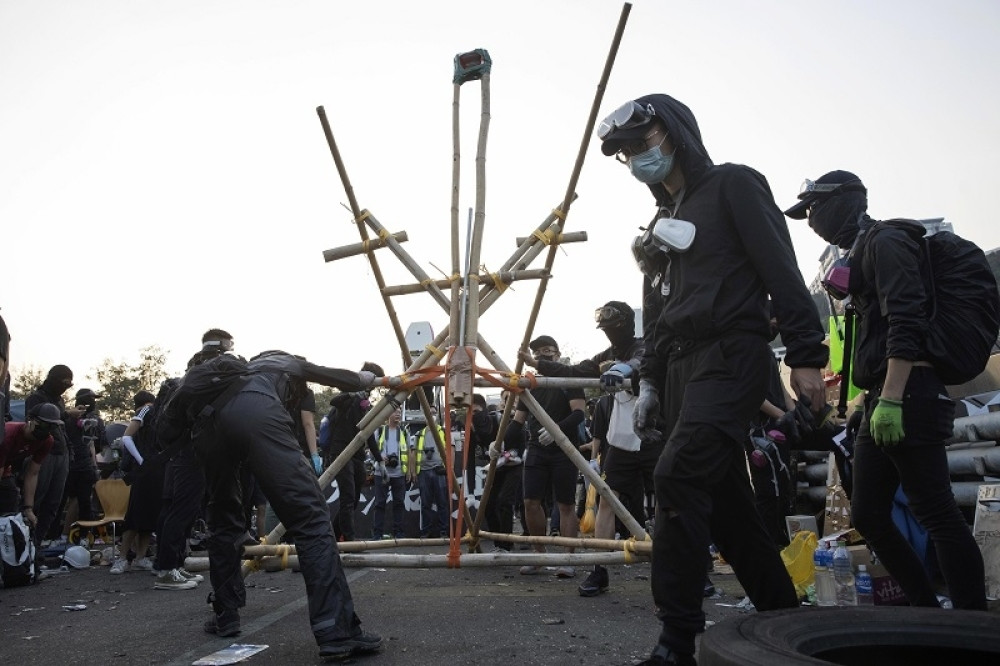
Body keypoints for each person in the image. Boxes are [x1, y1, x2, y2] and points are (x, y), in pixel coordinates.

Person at [598, 94, 828, 665]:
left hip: (732, 352)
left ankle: (677, 639)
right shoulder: (659, 223)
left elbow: (781, 267)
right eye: (626, 152)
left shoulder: (733, 185)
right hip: (679, 368)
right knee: (725, 507)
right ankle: (783, 618)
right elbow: (656, 311)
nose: (637, 156)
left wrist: (805, 353)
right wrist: (649, 381)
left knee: (676, 476)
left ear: (676, 132)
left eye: (643, 141)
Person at [785, 170, 988, 611]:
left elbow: (906, 319)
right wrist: (864, 402)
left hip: (910, 392)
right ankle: (925, 609)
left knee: (935, 510)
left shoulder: (886, 240)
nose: (811, 221)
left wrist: (892, 398)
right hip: (884, 395)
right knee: (869, 514)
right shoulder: (858, 253)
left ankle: (973, 626)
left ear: (845, 201)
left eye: (814, 210)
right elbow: (874, 340)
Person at [157, 350, 382, 659]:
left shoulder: (230, 377)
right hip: (255, 415)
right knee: (312, 520)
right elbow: (335, 375)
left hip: (208, 431)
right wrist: (369, 380)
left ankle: (226, 616)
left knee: (224, 522)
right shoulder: (280, 362)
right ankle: (336, 632)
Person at [507, 335, 587, 579]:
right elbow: (517, 422)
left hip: (564, 449)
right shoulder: (530, 385)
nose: (545, 355)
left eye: (549, 351)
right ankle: (538, 554)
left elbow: (579, 414)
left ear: (558, 354)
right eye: (540, 352)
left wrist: (556, 432)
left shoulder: (569, 380)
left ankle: (567, 558)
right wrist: (498, 444)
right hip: (537, 449)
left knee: (565, 504)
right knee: (531, 501)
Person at [25, 365, 85, 551]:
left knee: (54, 502)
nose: (66, 386)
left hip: (62, 453)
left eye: (70, 383)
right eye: (64, 382)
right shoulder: (36, 398)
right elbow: (37, 423)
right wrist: (68, 413)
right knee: (37, 500)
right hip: (45, 453)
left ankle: (38, 545)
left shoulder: (59, 400)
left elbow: (60, 426)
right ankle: (27, 544)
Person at [325, 362, 384, 541]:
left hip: (357, 455)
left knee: (355, 496)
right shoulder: (349, 395)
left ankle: (334, 536)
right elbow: (333, 402)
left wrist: (379, 460)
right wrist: (352, 394)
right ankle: (349, 539)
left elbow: (369, 433)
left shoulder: (366, 404)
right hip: (341, 452)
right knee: (348, 496)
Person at [114, 390, 166, 575]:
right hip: (145, 469)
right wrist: (141, 459)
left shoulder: (163, 412)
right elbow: (126, 437)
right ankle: (121, 559)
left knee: (150, 515)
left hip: (158, 468)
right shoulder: (146, 410)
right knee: (135, 514)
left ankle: (140, 558)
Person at [0, 403, 58, 521]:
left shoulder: (47, 441)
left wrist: (28, 509)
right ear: (29, 420)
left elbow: (32, 473)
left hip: (5, 469)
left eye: (51, 427)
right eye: (42, 424)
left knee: (11, 500)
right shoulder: (8, 434)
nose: (46, 430)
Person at [60, 388, 105, 543]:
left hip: (85, 466)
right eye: (90, 400)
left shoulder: (93, 420)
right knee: (65, 501)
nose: (92, 404)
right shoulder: (67, 419)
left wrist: (94, 466)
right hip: (69, 465)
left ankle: (84, 536)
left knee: (85, 502)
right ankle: (61, 535)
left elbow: (92, 444)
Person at [372, 407, 408, 540]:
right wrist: (380, 457)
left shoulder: (404, 431)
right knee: (379, 504)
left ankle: (399, 533)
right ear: (388, 414)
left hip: (399, 473)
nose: (398, 414)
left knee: (399, 503)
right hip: (381, 472)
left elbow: (409, 451)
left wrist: (409, 471)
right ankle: (377, 534)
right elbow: (371, 449)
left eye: (399, 412)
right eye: (395, 412)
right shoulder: (380, 430)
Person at [414, 410, 449, 539]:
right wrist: (413, 471)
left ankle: (444, 531)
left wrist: (449, 469)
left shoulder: (443, 431)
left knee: (442, 502)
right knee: (425, 503)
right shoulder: (419, 434)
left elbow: (450, 450)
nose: (431, 415)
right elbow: (413, 453)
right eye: (429, 413)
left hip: (439, 470)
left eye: (434, 412)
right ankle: (426, 531)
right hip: (423, 471)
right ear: (424, 417)